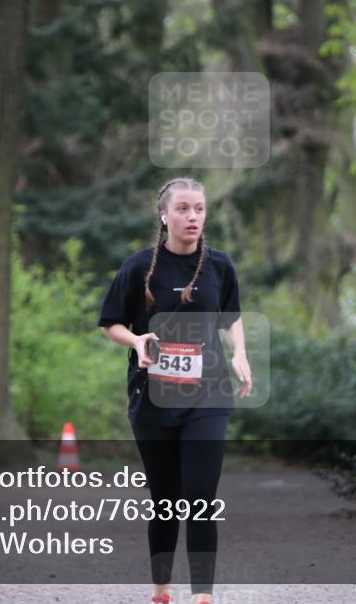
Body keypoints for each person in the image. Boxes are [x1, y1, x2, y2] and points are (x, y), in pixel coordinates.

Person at [99, 177, 252, 604]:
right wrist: (136, 342)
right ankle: (162, 588)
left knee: (201, 495)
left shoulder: (219, 265)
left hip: (208, 396)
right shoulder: (138, 266)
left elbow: (232, 316)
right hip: (153, 399)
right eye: (183, 208)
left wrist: (240, 352)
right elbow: (111, 322)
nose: (192, 217)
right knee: (165, 498)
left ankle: (202, 594)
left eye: (199, 209)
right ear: (164, 215)